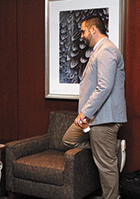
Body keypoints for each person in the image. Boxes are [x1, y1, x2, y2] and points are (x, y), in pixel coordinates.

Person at [63, 16, 127, 199]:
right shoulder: (99, 51)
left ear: (93, 29)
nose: (81, 36)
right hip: (93, 118)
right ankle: (111, 147)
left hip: (104, 118)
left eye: (83, 31)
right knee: (68, 139)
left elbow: (105, 86)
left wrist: (85, 112)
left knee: (106, 167)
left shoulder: (106, 50)